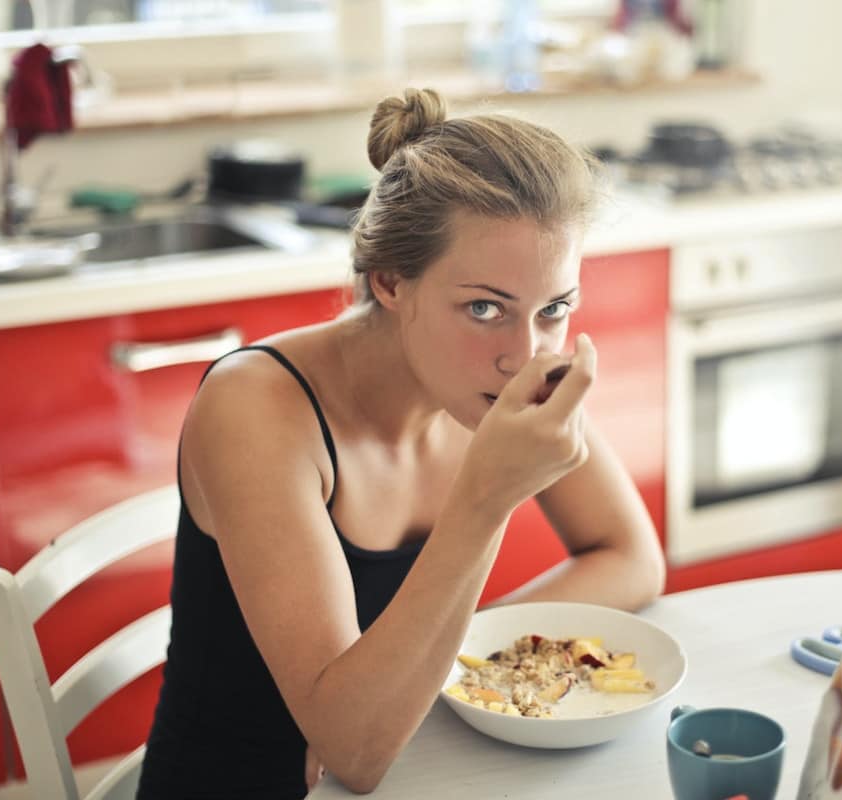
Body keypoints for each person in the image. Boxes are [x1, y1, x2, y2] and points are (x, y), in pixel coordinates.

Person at [137, 87, 666, 799]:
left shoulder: (504, 374)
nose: (525, 355)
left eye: (555, 309)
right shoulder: (257, 409)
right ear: (390, 282)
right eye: (484, 308)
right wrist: (486, 500)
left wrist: (431, 663)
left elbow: (631, 558)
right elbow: (353, 751)